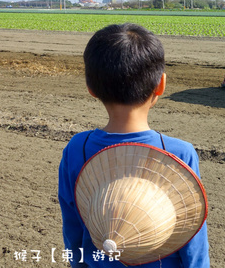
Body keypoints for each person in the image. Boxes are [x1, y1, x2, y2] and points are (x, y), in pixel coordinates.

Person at [58, 23, 210, 268]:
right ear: (161, 84)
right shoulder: (178, 153)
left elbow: (72, 226)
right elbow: (192, 237)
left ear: (91, 88)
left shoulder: (78, 148)